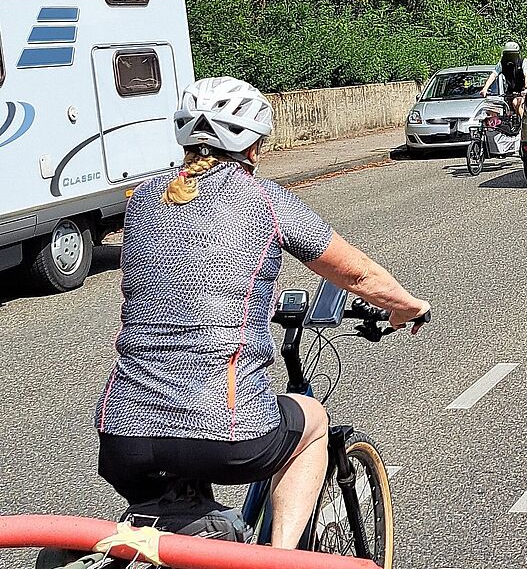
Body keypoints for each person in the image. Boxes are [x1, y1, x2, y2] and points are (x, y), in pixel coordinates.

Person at [94, 76, 430, 549]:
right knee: (311, 419)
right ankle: (279, 557)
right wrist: (408, 307)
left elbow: (190, 271)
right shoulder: (267, 202)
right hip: (227, 433)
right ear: (252, 149)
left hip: (121, 438)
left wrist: (255, 301)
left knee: (190, 529)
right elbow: (359, 277)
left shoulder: (145, 199)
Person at [480, 41, 527, 117]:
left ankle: (522, 124)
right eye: (508, 55)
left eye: (512, 55)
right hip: (511, 90)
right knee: (505, 110)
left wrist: (526, 88)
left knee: (516, 103)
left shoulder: (523, 62)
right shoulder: (502, 63)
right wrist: (485, 89)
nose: (510, 58)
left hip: (522, 90)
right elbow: (493, 75)